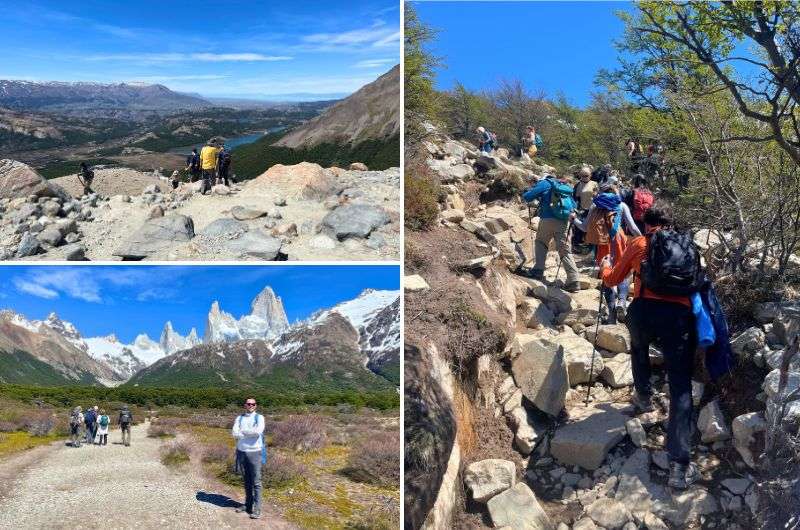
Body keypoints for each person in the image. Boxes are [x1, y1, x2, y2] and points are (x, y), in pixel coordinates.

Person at [599, 202, 700, 489]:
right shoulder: (687, 245)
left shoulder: (639, 243)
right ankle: (679, 466)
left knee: (639, 347)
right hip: (679, 317)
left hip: (644, 311)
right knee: (680, 386)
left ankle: (643, 397)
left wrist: (603, 270)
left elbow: (614, 279)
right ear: (671, 223)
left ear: (646, 223)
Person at [573, 181, 641, 323]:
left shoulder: (594, 206)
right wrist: (644, 241)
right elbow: (633, 227)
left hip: (603, 242)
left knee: (606, 272)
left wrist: (574, 220)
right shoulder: (621, 205)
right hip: (619, 239)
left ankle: (611, 315)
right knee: (623, 271)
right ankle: (622, 302)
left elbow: (585, 228)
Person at [522, 174, 581, 292]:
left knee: (541, 242)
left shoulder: (545, 183)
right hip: (564, 222)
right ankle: (574, 280)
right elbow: (574, 205)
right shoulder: (564, 186)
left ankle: (538, 270)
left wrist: (527, 192)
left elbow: (528, 197)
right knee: (564, 249)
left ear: (545, 177)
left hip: (547, 219)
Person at [232, 397, 266, 519]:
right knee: (246, 480)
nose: (251, 405)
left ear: (255, 406)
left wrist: (243, 432)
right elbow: (234, 433)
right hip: (241, 452)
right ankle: (248, 505)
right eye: (248, 403)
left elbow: (258, 432)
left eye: (253, 404)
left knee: (256, 481)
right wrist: (248, 433)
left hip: (255, 452)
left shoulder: (260, 418)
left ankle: (257, 508)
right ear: (245, 405)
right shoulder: (239, 418)